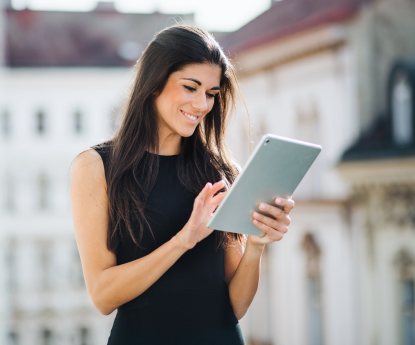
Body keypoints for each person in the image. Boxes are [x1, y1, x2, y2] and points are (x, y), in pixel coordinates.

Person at [70, 24, 293, 345]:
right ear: (154, 82)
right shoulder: (96, 167)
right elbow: (103, 296)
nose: (202, 105)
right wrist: (183, 240)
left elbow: (235, 306)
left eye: (212, 94)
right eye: (191, 88)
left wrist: (256, 246)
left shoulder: (222, 171)